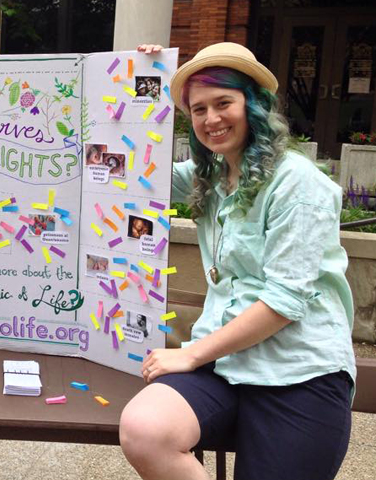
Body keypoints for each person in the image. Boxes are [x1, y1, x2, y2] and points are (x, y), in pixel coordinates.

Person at [119, 43, 355, 480]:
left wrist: (191, 355)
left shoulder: (299, 185)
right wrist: (138, 75)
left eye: (224, 102)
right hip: (225, 366)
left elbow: (284, 301)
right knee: (144, 429)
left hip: (298, 370)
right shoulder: (208, 176)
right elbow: (130, 167)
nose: (211, 119)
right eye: (199, 109)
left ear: (255, 105)